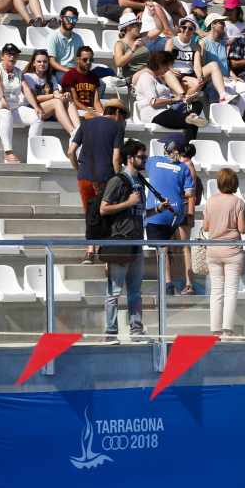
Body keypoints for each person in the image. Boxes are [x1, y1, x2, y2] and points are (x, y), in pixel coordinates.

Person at [99, 141, 155, 342]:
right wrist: (128, 203)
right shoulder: (118, 180)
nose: (145, 160)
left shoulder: (140, 181)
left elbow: (138, 213)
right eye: (142, 157)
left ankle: (136, 330)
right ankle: (110, 332)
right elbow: (104, 209)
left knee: (135, 291)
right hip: (120, 241)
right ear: (130, 158)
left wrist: (157, 210)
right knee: (114, 291)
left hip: (137, 242)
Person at [68, 98, 126, 263]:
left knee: (89, 213)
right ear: (117, 113)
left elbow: (71, 151)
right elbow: (116, 158)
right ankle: (104, 250)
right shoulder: (117, 127)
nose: (123, 120)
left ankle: (90, 251)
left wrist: (77, 170)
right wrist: (118, 179)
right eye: (123, 116)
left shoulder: (85, 124)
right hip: (105, 177)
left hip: (84, 176)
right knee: (106, 213)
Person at [144, 138, 197, 296]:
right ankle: (186, 283)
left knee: (166, 247)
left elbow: (191, 196)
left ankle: (172, 283)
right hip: (178, 211)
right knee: (180, 247)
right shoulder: (184, 167)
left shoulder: (155, 161)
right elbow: (189, 193)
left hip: (165, 211)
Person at [201, 167, 245, 336]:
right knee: (230, 290)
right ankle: (227, 329)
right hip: (232, 251)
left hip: (213, 250)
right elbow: (242, 229)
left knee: (216, 290)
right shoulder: (237, 202)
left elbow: (206, 226)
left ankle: (215, 329)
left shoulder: (210, 201)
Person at [0, 43, 41, 164]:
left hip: (13, 107)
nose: (12, 57)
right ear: (2, 56)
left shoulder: (18, 72)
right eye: (9, 54)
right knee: (6, 114)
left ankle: (33, 154)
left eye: (15, 55)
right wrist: (2, 99)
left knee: (37, 117)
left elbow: (26, 90)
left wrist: (36, 107)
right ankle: (8, 153)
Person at [134, 50, 208, 139]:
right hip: (154, 114)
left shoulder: (158, 79)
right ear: (160, 64)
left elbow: (167, 99)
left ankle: (191, 117)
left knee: (197, 104)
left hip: (166, 110)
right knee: (191, 123)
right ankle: (187, 147)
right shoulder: (146, 77)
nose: (169, 69)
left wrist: (184, 99)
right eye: (167, 66)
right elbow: (153, 102)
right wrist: (174, 100)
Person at [23, 49, 78, 135]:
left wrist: (63, 95)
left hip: (48, 109)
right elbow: (34, 99)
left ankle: (78, 130)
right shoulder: (28, 77)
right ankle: (73, 133)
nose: (42, 64)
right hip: (33, 109)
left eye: (45, 62)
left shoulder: (51, 77)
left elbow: (57, 94)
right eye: (39, 61)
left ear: (48, 63)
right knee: (56, 102)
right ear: (33, 63)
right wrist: (53, 96)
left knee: (68, 99)